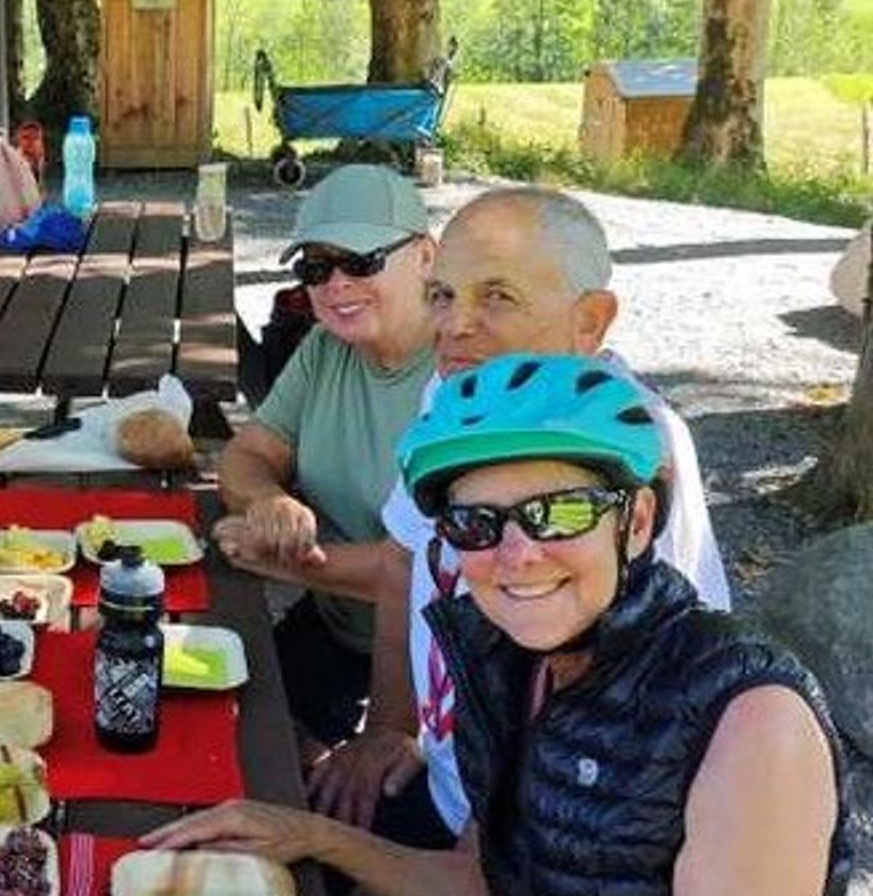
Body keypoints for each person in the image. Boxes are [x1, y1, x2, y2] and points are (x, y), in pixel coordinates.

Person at [149, 353, 848, 896]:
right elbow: (485, 880)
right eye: (474, 523)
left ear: (635, 523)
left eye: (560, 512)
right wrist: (307, 833)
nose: (517, 555)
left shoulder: (749, 718)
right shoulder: (507, 659)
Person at [305, 186, 734, 849]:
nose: (452, 326)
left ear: (589, 322)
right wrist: (389, 729)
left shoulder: (630, 454)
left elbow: (646, 726)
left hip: (559, 837)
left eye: (496, 297)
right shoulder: (454, 400)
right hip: (458, 791)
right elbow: (405, 560)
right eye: (442, 295)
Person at [213, 164, 437, 750]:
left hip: (439, 657)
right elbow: (247, 454)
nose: (336, 284)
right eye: (316, 267)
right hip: (336, 627)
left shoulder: (461, 373)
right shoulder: (327, 346)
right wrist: (269, 502)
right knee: (220, 730)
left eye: (361, 261)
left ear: (427, 257)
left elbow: (435, 572)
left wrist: (290, 560)